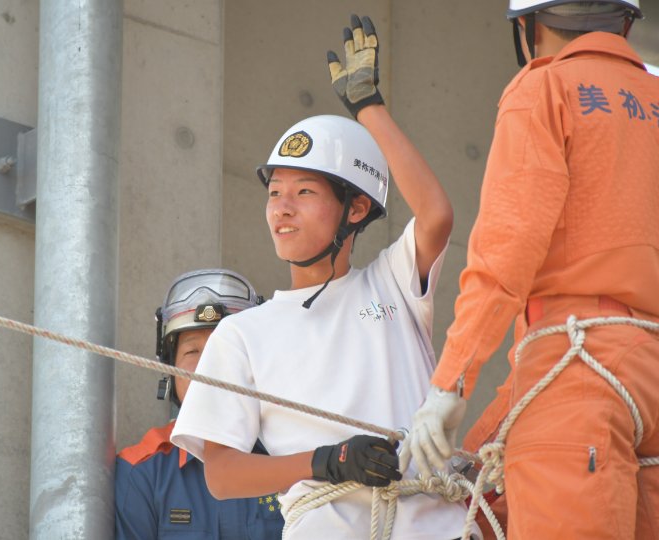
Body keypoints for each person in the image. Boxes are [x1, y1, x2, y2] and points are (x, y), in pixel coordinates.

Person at [171, 15, 480, 540]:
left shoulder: (391, 285)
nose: (282, 209)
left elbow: (436, 216)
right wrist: (325, 461)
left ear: (356, 207)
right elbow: (221, 475)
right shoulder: (244, 333)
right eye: (274, 193)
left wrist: (367, 107)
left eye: (305, 192)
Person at [401, 1, 659, 538]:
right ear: (627, 23)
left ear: (528, 27)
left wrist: (451, 381)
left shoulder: (544, 88)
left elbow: (507, 248)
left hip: (580, 370)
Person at [114, 269, 284, 540]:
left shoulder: (291, 455)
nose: (208, 365)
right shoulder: (141, 473)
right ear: (170, 369)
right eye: (192, 351)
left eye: (222, 349)